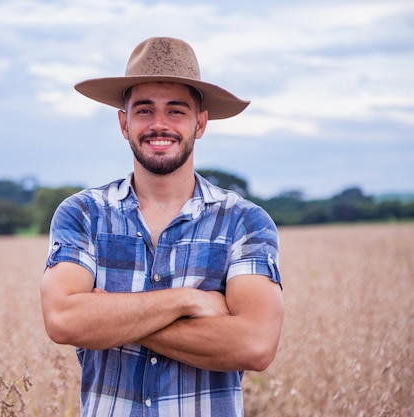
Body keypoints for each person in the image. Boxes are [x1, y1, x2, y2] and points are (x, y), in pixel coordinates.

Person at [40, 37, 284, 417]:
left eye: (176, 111)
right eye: (144, 111)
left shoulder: (244, 222)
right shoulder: (83, 214)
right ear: (124, 122)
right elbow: (63, 320)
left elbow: (255, 344)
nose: (159, 125)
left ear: (200, 123)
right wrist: (187, 301)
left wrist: (107, 317)